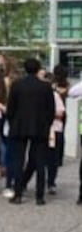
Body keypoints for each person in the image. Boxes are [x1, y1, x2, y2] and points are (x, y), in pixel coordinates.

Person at [6, 57, 55, 206]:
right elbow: (51, 109)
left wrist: (12, 123)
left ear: (25, 69)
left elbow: (11, 108)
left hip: (20, 126)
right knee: (40, 162)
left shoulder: (17, 85)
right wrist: (47, 124)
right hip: (40, 127)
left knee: (19, 161)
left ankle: (18, 194)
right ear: (38, 69)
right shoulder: (46, 87)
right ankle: (40, 196)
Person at [47, 65, 68, 195]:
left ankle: (50, 181)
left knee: (46, 154)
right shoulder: (67, 85)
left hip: (52, 124)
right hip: (58, 121)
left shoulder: (54, 90)